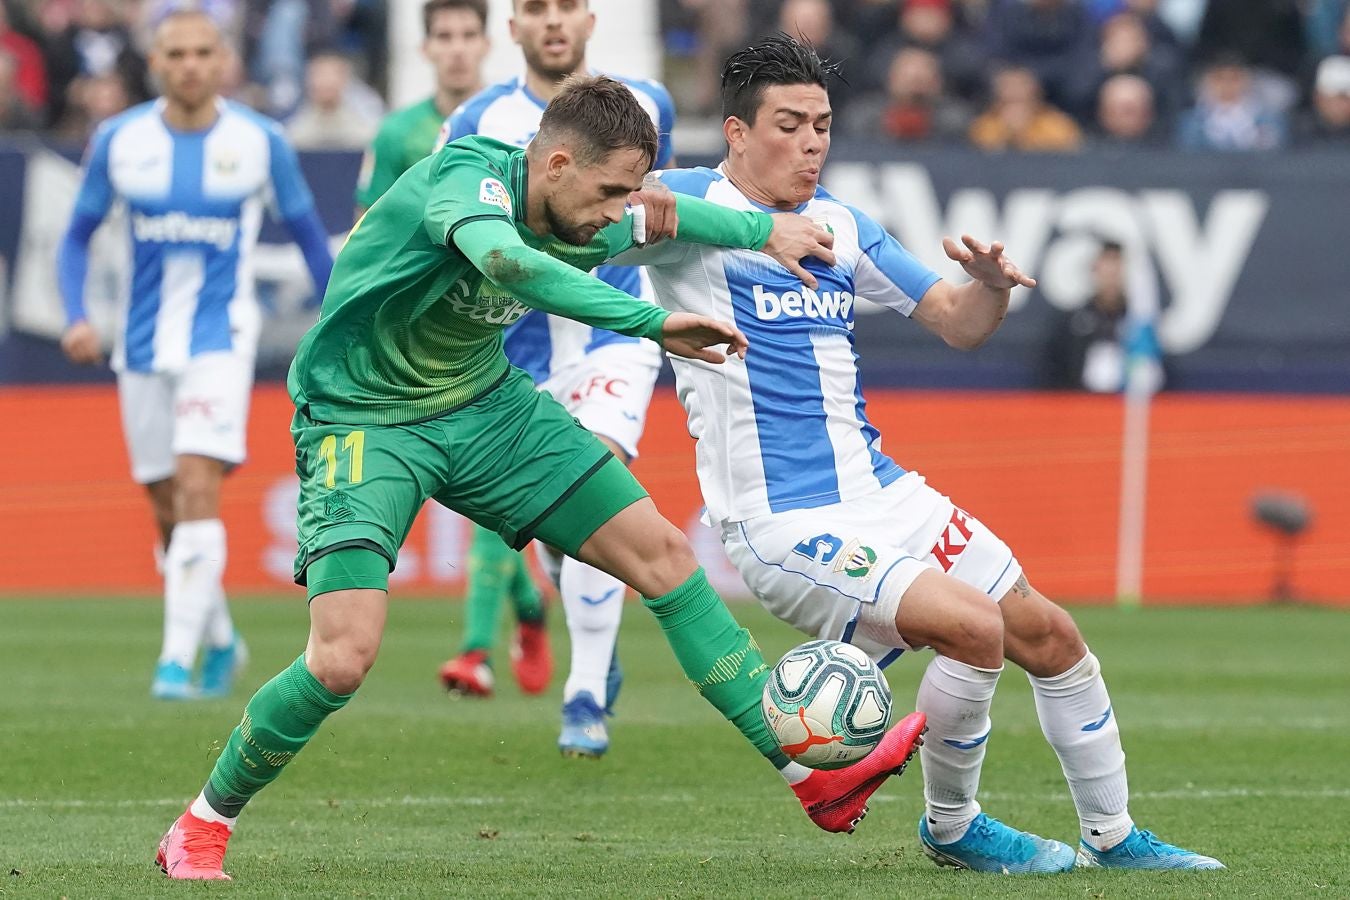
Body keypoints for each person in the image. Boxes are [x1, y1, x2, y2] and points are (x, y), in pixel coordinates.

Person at [152, 74, 929, 881]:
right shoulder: (467, 180)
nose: (616, 215)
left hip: (485, 406)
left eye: (628, 193)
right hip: (361, 419)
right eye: (608, 192)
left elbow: (662, 215)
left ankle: (816, 778)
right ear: (555, 163)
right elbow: (507, 262)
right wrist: (651, 320)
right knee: (343, 656)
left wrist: (761, 233)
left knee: (663, 556)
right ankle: (203, 823)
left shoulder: (581, 207)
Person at [620, 35, 1222, 874]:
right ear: (734, 133)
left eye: (823, 125)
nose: (811, 144)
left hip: (882, 492)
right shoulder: (686, 206)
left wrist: (991, 288)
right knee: (973, 629)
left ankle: (1115, 839)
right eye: (789, 125)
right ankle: (951, 826)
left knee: (1049, 636)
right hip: (780, 518)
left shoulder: (840, 224)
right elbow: (589, 227)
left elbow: (957, 322)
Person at [57, 10, 334, 701]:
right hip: (143, 343)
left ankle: (173, 663)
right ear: (155, 63)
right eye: (174, 53)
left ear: (223, 61)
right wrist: (76, 315)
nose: (188, 65)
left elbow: (307, 234)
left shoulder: (259, 140)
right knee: (165, 505)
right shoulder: (119, 140)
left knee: (196, 481)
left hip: (221, 338)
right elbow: (75, 238)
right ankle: (220, 640)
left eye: (201, 52)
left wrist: (338, 320)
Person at [436, 0, 677, 760]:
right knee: (559, 534)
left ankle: (583, 694)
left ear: (589, 19)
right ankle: (582, 634)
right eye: (535, 8)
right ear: (513, 27)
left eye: (565, 6)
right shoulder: (477, 119)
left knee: (597, 486)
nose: (552, 21)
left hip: (613, 331)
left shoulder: (646, 103)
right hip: (515, 353)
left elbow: (662, 205)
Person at [353, 0, 489, 217]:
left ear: (486, 45)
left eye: (469, 35)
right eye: (444, 37)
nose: (457, 49)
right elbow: (367, 222)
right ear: (425, 49)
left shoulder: (515, 122)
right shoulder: (395, 131)